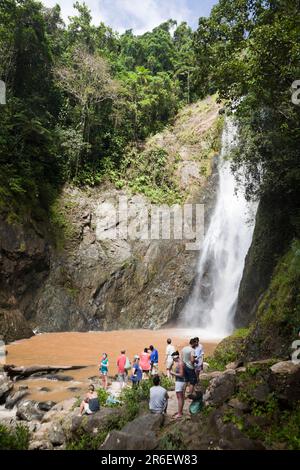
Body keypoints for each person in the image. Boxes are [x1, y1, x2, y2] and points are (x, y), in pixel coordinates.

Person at [170, 351, 186, 419]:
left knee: (179, 398)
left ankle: (179, 414)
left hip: (180, 382)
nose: (173, 360)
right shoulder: (181, 362)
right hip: (181, 382)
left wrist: (173, 373)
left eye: (173, 359)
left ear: (176, 357)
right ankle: (180, 411)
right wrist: (171, 364)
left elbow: (181, 375)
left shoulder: (180, 363)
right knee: (181, 397)